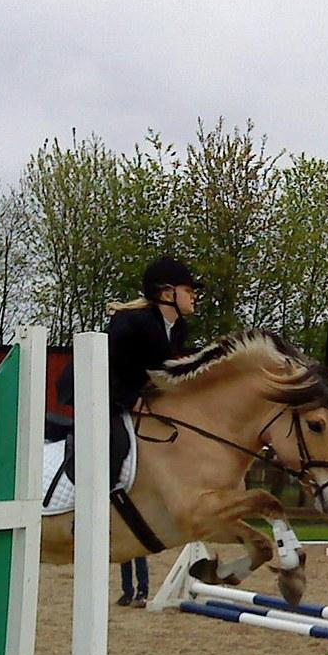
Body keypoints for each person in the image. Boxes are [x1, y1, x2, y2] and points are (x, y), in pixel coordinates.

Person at [55, 254, 201, 606]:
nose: (194, 295)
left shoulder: (176, 327)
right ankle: (87, 513)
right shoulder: (132, 322)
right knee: (116, 442)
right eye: (189, 289)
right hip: (93, 388)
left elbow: (163, 372)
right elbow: (109, 369)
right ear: (167, 293)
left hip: (129, 392)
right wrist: (132, 401)